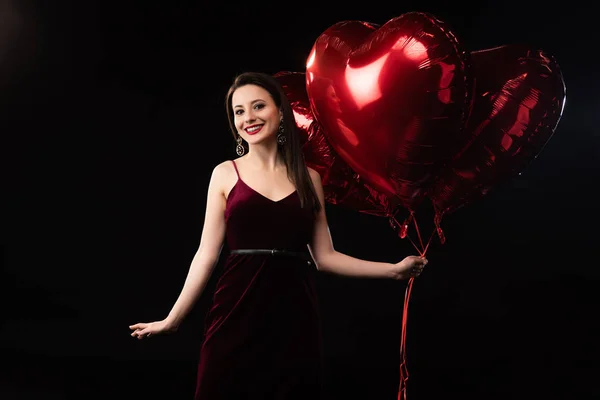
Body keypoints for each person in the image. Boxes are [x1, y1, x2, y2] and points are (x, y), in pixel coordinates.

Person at [129, 71, 428, 399]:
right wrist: (173, 320)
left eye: (258, 106)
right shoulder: (225, 173)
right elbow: (206, 253)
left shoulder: (310, 178)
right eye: (239, 111)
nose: (248, 118)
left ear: (281, 112)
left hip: (294, 314)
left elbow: (325, 258)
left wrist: (394, 270)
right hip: (236, 308)